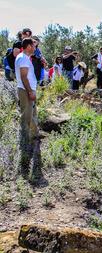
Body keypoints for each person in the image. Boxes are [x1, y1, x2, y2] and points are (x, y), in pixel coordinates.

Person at [15, 38, 39, 177]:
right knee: (27, 115)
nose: (35, 47)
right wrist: (30, 91)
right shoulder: (23, 58)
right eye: (34, 45)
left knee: (32, 114)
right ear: (28, 46)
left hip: (27, 90)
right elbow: (24, 77)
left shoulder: (24, 57)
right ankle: (25, 142)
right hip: (25, 90)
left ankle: (35, 136)